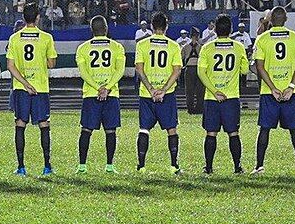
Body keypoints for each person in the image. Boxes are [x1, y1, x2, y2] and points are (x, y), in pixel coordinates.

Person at [252, 6, 295, 173]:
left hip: (269, 92)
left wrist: (272, 88)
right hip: (290, 91)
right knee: (294, 129)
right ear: (286, 19)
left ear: (270, 21)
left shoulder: (262, 39)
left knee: (264, 129)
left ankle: (259, 166)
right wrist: (291, 86)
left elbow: (259, 67)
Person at [6, 2, 57, 175]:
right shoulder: (46, 38)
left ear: (23, 18)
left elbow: (11, 66)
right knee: (44, 124)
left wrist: (25, 83)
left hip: (21, 88)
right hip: (40, 87)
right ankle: (47, 166)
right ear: (37, 17)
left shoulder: (14, 38)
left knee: (20, 124)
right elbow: (51, 64)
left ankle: (21, 167)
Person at [197, 14, 249, 174]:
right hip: (231, 97)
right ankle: (237, 166)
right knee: (233, 132)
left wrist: (214, 91)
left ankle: (209, 167)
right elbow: (245, 70)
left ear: (215, 30)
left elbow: (201, 72)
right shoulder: (238, 47)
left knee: (211, 133)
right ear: (231, 29)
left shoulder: (207, 47)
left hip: (212, 98)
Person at [74, 15, 126, 174]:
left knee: (86, 130)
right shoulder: (117, 47)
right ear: (106, 29)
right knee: (110, 131)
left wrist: (97, 87)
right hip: (111, 94)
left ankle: (82, 166)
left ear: (91, 30)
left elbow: (83, 73)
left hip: (91, 94)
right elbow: (120, 71)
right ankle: (109, 165)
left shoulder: (83, 48)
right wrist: (107, 88)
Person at [134, 12, 184, 174]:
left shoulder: (142, 45)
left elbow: (139, 70)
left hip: (147, 94)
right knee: (171, 129)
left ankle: (141, 166)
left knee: (144, 129)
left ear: (151, 26)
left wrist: (151, 89)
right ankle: (173, 165)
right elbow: (177, 70)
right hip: (167, 94)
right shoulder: (173, 45)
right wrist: (163, 90)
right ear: (166, 26)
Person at [182, 27, 204, 114]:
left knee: (189, 91)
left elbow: (181, 58)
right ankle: (199, 109)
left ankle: (190, 109)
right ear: (197, 36)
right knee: (200, 91)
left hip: (189, 69)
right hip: (198, 69)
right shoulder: (201, 48)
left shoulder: (185, 47)